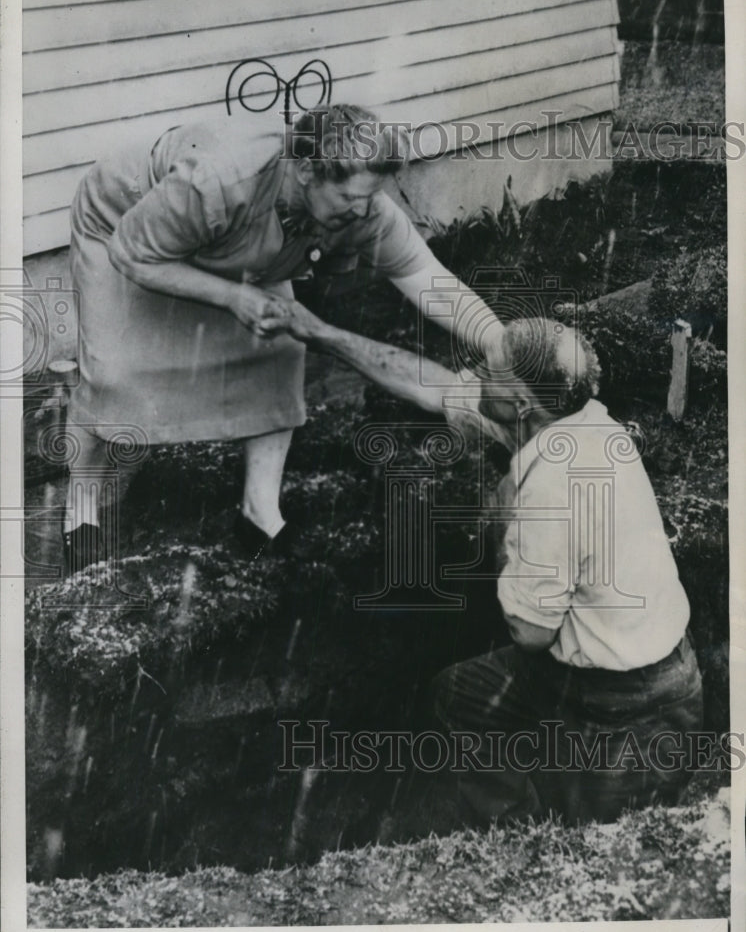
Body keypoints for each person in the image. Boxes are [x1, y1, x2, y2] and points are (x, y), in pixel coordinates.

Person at [279, 300, 703, 825]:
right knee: (461, 697)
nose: (473, 372)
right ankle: (513, 818)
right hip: (603, 669)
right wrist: (320, 330)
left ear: (520, 402)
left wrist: (504, 518)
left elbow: (530, 633)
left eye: (487, 370)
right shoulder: (570, 414)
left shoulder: (556, 488)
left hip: (632, 704)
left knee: (598, 833)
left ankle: (530, 837)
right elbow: (422, 380)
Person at [62, 104, 498, 573]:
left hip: (239, 238)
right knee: (114, 375)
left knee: (279, 350)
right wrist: (233, 297)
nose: (365, 210)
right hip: (123, 224)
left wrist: (507, 345)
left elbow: (430, 280)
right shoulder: (220, 178)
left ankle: (259, 514)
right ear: (308, 170)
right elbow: (132, 254)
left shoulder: (359, 203)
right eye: (352, 198)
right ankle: (81, 507)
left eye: (372, 197)